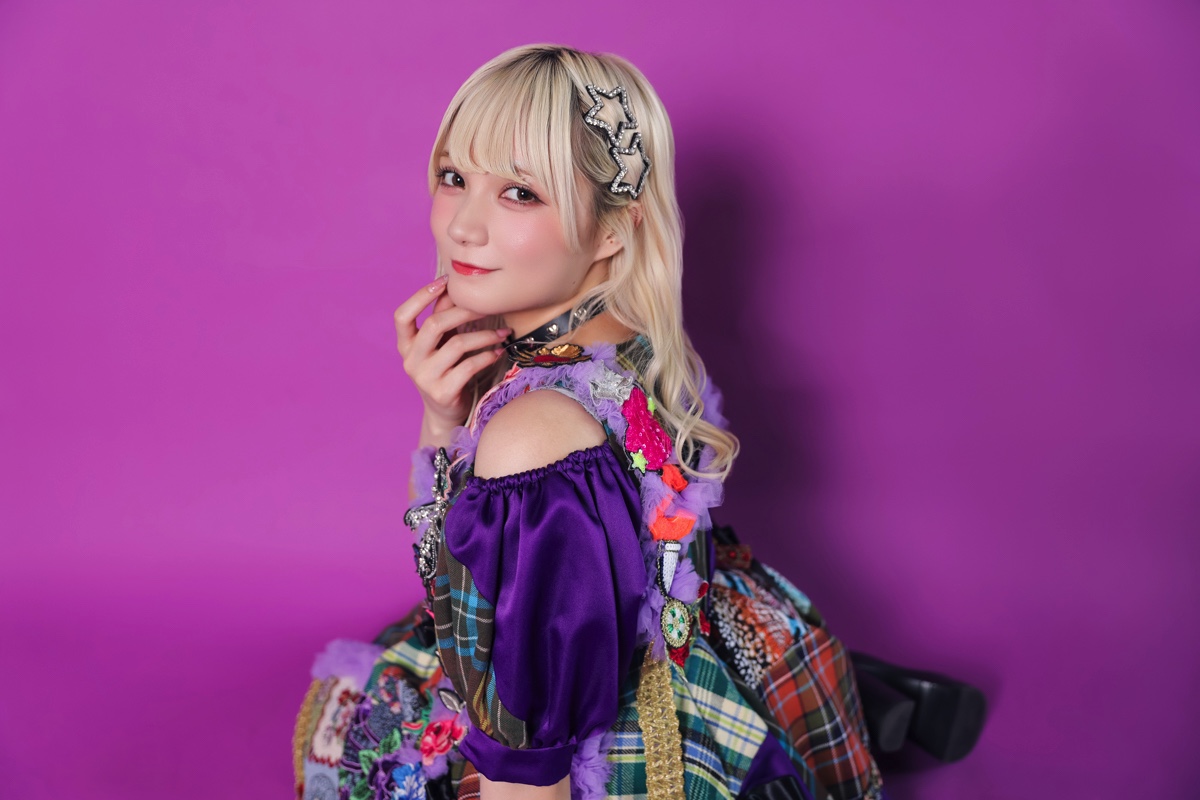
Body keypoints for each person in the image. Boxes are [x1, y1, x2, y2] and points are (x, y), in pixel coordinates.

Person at [292, 44, 884, 800]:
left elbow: (528, 758)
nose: (463, 225)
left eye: (519, 193)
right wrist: (444, 416)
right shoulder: (625, 337)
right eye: (453, 177)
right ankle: (845, 700)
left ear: (611, 229)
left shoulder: (534, 438)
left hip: (609, 741)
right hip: (704, 633)